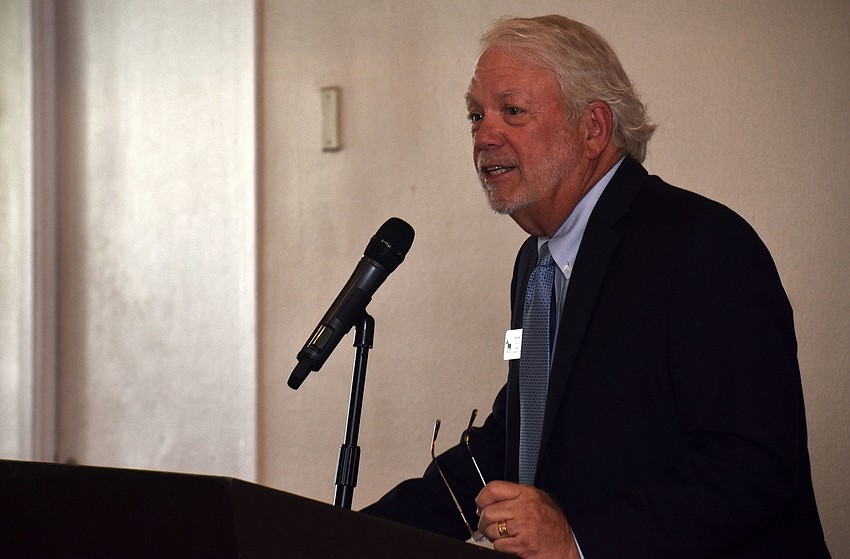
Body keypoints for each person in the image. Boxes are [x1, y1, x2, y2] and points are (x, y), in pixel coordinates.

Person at [363, 14, 830, 558]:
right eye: (476, 115)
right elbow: (515, 439)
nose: (484, 135)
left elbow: (754, 464)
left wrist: (580, 540)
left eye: (511, 111)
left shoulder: (702, 244)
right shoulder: (536, 265)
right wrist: (346, 536)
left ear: (593, 129)